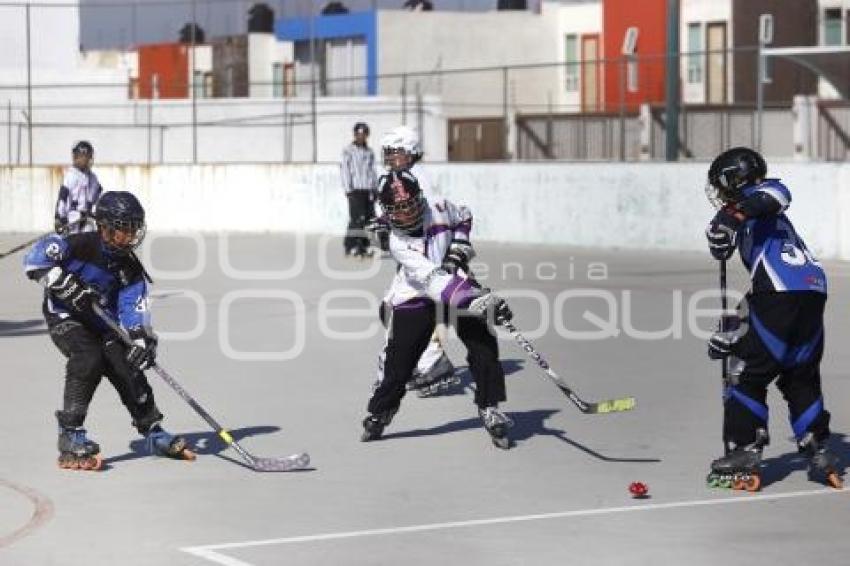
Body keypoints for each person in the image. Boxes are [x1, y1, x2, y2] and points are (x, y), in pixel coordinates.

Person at [24, 191, 193, 470]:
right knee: (88, 358)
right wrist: (64, 283)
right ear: (103, 227)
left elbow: (134, 308)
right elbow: (34, 261)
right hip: (66, 316)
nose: (129, 237)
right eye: (123, 230)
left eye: (134, 230)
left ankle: (152, 430)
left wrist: (141, 341)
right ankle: (70, 433)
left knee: (126, 364)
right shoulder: (78, 245)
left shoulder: (130, 269)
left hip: (104, 323)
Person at [703, 147, 840, 490]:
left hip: (781, 294)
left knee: (745, 371)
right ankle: (818, 447)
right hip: (809, 293)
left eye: (722, 186)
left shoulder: (762, 196)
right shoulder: (755, 217)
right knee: (798, 372)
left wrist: (732, 216)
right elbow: (754, 283)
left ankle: (746, 450)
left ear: (736, 179)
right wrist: (722, 238)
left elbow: (777, 194)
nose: (721, 196)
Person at [361, 170, 514, 448]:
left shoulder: (440, 207)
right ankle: (381, 411)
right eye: (397, 209)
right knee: (400, 360)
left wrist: (459, 247)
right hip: (418, 294)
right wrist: (476, 300)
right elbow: (434, 282)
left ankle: (489, 406)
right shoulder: (398, 242)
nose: (406, 214)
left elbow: (464, 216)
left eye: (409, 205)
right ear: (388, 212)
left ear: (420, 198)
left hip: (459, 281)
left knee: (484, 345)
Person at [375, 125, 458, 396]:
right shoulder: (402, 176)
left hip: (424, 256)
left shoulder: (416, 177)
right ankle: (417, 363)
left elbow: (424, 220)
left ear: (410, 152)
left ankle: (429, 362)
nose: (389, 157)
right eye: (387, 152)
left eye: (395, 152)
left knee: (412, 309)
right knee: (392, 309)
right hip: (414, 254)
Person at [340, 122, 378, 258]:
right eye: (358, 134)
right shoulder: (348, 151)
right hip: (355, 190)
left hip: (367, 190)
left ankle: (364, 245)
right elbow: (345, 170)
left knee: (369, 220)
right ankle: (350, 245)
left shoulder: (369, 152)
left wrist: (375, 188)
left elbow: (372, 171)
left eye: (364, 134)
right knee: (356, 219)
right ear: (355, 135)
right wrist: (348, 189)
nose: (361, 137)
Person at [54, 140, 103, 235]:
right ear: (76, 157)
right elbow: (62, 199)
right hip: (72, 221)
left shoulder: (93, 178)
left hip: (87, 220)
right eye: (83, 156)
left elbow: (98, 198)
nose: (86, 160)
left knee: (90, 239)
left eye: (88, 156)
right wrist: (59, 218)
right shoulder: (71, 176)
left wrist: (96, 212)